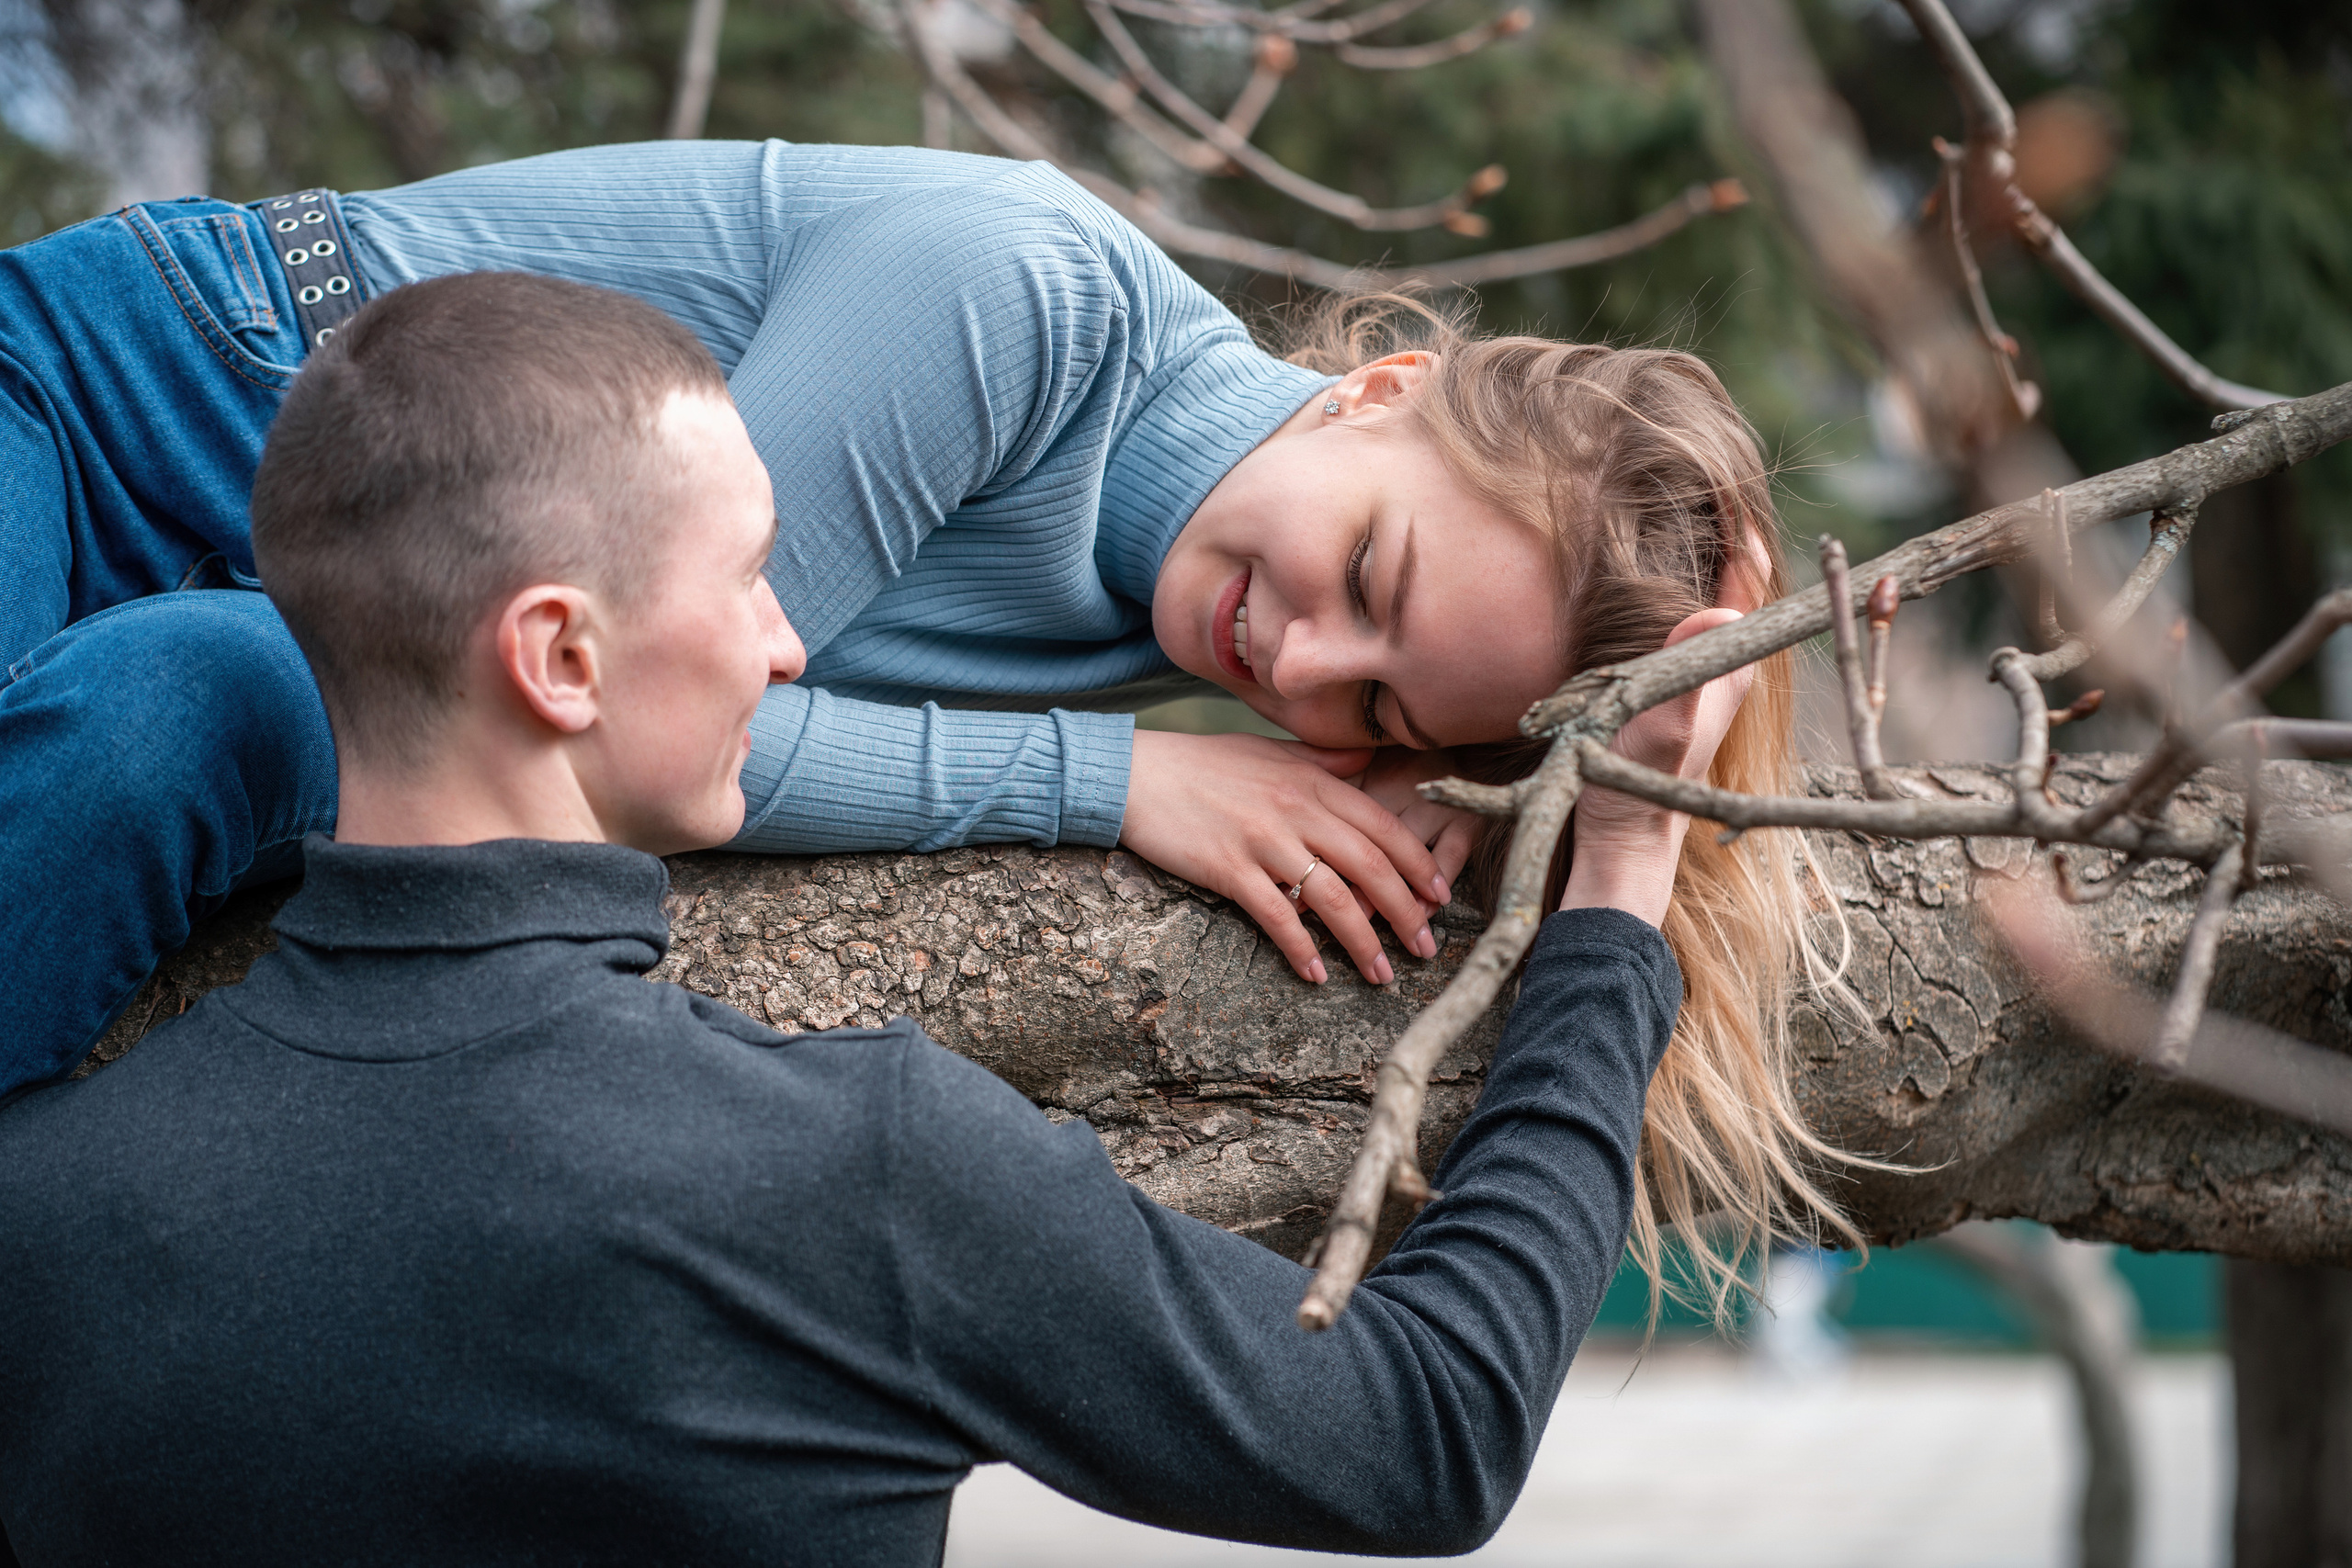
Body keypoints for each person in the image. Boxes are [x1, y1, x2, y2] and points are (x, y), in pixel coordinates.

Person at [3, 271, 1720, 1565]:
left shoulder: (50, 1210)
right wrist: (1621, 890)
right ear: (560, 655)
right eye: (751, 574)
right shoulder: (862, 1175)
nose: (791, 645)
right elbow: (1424, 1433)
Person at [0, 139, 1852, 1304]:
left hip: (324, 637)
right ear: (1377, 388)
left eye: (1374, 702)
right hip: (125, 408)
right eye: (1358, 572)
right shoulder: (1017, 297)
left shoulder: (1201, 616)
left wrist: (1621, 790)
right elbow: (644, 732)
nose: (1290, 668)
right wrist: (1124, 775)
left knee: (183, 709)